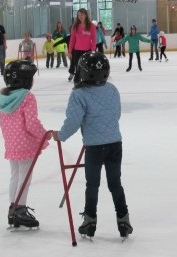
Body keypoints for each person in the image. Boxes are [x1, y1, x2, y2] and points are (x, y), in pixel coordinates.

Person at [52, 51, 133, 239]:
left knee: (92, 185)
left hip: (95, 147)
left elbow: (73, 121)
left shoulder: (79, 94)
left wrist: (60, 135)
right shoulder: (112, 89)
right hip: (115, 143)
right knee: (115, 184)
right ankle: (124, 219)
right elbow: (116, 114)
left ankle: (90, 221)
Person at [0, 60, 51, 229]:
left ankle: (13, 208)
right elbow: (31, 123)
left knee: (15, 174)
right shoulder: (27, 97)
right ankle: (20, 209)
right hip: (26, 143)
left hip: (12, 143)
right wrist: (44, 135)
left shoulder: (4, 97)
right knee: (25, 177)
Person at [68, 8, 96, 85]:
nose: (80, 16)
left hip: (88, 51)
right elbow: (72, 40)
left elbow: (94, 40)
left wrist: (93, 52)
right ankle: (77, 84)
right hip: (77, 51)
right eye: (78, 15)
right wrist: (70, 51)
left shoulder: (91, 26)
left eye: (82, 15)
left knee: (88, 68)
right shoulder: (75, 27)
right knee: (78, 69)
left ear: (86, 15)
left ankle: (88, 84)